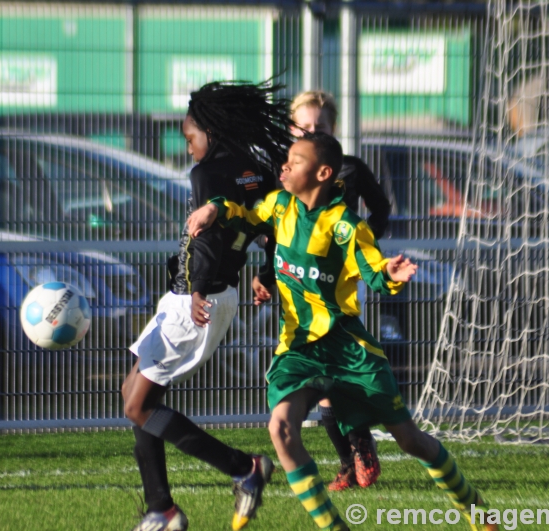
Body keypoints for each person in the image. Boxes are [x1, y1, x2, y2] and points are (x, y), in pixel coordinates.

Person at [188, 132, 498, 531]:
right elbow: (245, 214)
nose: (284, 166)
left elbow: (374, 272)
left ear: (322, 173)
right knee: (280, 428)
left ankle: (476, 509)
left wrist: (391, 274)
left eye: (295, 161)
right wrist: (215, 209)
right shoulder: (279, 206)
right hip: (298, 349)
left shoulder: (346, 227)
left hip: (349, 350)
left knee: (409, 440)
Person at [121, 80, 293, 531]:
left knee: (137, 407)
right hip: (212, 294)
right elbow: (274, 224)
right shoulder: (255, 169)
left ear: (210, 133)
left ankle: (243, 469)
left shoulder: (206, 175)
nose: (188, 147)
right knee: (134, 393)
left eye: (189, 138)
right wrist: (266, 274)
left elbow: (206, 244)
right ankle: (161, 508)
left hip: (197, 298)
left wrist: (196, 288)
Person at [253, 90, 392, 492]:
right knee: (321, 384)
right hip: (297, 287)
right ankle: (353, 457)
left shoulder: (349, 168)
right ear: (292, 128)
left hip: (338, 289)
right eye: (305, 125)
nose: (312, 130)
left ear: (333, 130)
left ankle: (356, 456)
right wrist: (265, 273)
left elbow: (380, 207)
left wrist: (364, 248)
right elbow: (275, 232)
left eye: (321, 126)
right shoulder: (287, 173)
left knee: (334, 383)